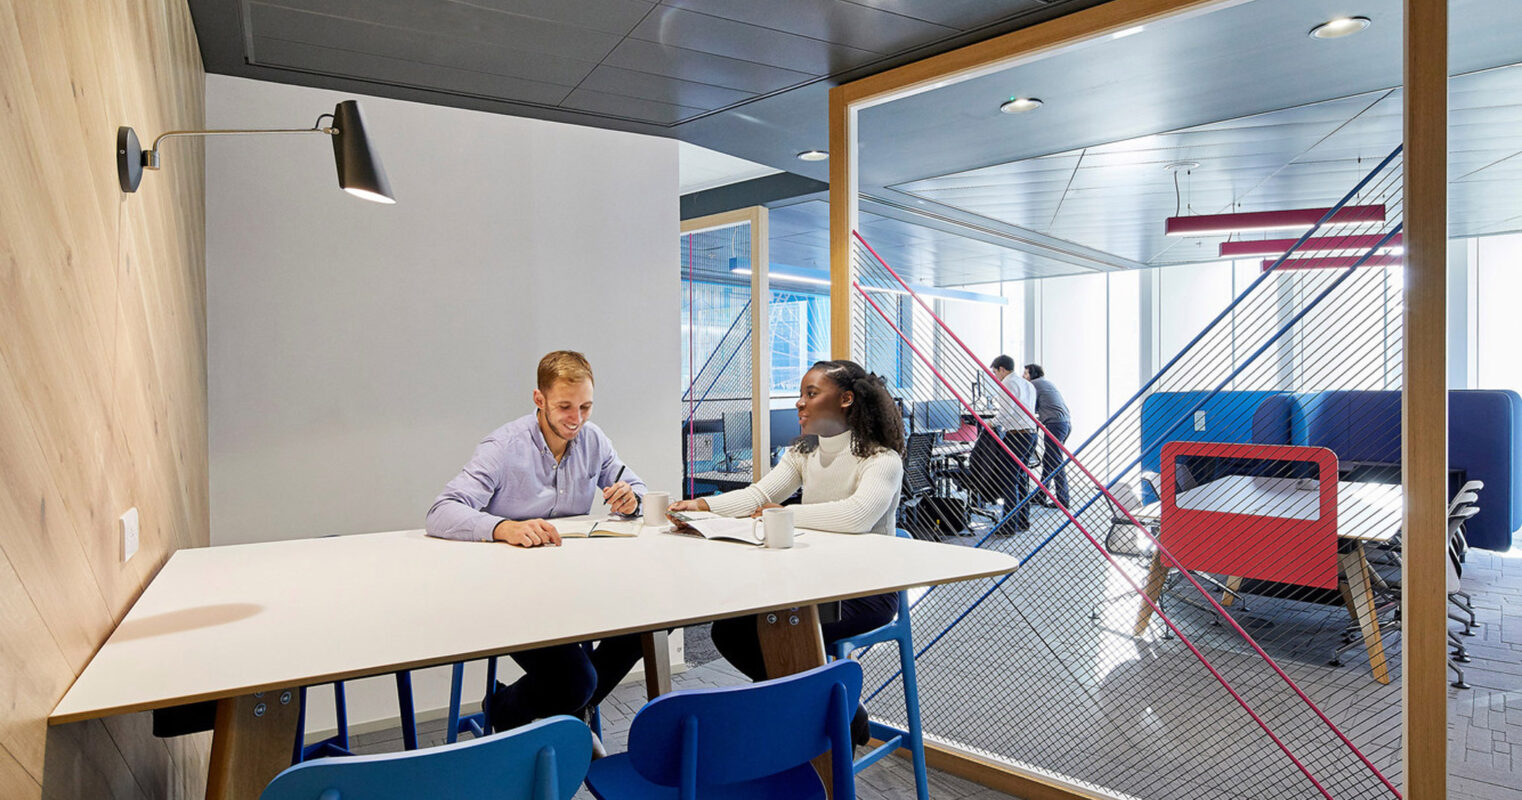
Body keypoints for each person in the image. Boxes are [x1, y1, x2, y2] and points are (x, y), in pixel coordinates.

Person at [666, 359, 904, 746]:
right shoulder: (803, 453)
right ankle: (834, 709)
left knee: (773, 634)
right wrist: (702, 508)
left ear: (845, 399)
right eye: (800, 394)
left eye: (811, 394)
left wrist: (787, 514)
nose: (799, 403)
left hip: (865, 592)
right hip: (811, 585)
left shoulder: (881, 460)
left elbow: (858, 515)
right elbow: (760, 495)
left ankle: (811, 721)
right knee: (730, 631)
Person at [425, 350, 646, 745]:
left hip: (574, 587)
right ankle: (518, 710)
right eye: (565, 406)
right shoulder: (504, 446)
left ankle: (559, 709)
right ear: (538, 400)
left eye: (585, 407)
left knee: (646, 627)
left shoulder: (593, 440)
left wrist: (633, 498)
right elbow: (441, 511)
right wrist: (503, 528)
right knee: (577, 678)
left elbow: (637, 486)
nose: (576, 419)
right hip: (512, 595)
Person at [972, 354, 1039, 534]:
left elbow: (1006, 412)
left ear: (1002, 369)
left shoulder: (1008, 384)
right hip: (1030, 435)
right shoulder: (1028, 385)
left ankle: (1008, 526)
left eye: (995, 372)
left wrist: (990, 424)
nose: (995, 377)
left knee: (1009, 480)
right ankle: (1022, 521)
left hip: (1016, 436)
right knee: (1020, 479)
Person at [1025, 363, 1072, 508]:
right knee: (1048, 461)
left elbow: (1029, 406)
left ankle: (1063, 500)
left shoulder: (1033, 385)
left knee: (1056, 463)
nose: (1023, 377)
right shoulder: (1046, 383)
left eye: (1025, 374)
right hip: (1064, 424)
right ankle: (1040, 496)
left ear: (1032, 375)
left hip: (1055, 425)